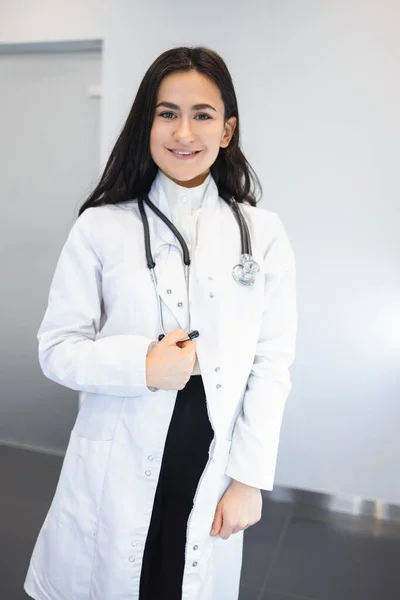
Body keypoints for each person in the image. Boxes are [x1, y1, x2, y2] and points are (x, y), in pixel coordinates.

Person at [24, 46, 297, 600]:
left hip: (213, 454)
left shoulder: (262, 234)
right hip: (119, 450)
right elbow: (56, 349)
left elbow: (272, 364)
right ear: (146, 123)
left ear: (226, 130)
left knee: (182, 578)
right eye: (167, 112)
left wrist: (247, 479)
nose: (183, 131)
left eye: (202, 114)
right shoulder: (101, 228)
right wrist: (143, 365)